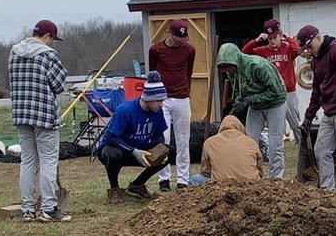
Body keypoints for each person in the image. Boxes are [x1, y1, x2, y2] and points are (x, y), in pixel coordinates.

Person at [8, 19, 70, 222]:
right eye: (52, 39)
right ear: (47, 36)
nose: (52, 43)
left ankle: (27, 209)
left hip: (21, 114)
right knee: (48, 161)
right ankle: (49, 209)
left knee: (27, 161)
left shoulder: (14, 53)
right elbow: (59, 84)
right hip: (44, 115)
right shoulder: (48, 55)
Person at [297, 25, 336, 192]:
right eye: (306, 49)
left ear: (318, 38)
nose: (309, 51)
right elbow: (317, 90)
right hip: (330, 111)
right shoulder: (315, 60)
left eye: (310, 46)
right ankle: (327, 189)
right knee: (321, 150)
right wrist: (309, 116)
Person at [215, 42, 288, 180]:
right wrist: (239, 101)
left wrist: (250, 100)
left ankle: (275, 178)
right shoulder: (232, 73)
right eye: (225, 68)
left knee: (275, 143)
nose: (228, 70)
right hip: (256, 106)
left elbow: (276, 92)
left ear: (237, 60)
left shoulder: (259, 66)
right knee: (248, 140)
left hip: (275, 102)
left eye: (229, 66)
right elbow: (239, 91)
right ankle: (250, 174)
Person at [96, 72, 169, 202]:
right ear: (149, 98)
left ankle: (137, 185)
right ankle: (114, 188)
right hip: (118, 149)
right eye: (159, 100)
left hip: (141, 149)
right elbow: (111, 138)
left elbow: (159, 135)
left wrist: (159, 150)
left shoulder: (157, 112)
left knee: (170, 151)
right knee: (113, 155)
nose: (161, 104)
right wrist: (134, 151)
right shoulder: (125, 110)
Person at [148, 19, 196, 192]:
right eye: (176, 38)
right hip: (163, 99)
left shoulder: (189, 50)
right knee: (163, 138)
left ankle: (183, 179)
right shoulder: (156, 50)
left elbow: (188, 72)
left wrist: (186, 92)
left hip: (182, 98)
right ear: (169, 33)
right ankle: (164, 178)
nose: (179, 42)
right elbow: (152, 73)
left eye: (182, 39)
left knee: (184, 140)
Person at [242, 18, 302, 144]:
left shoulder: (287, 48)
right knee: (275, 129)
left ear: (280, 36)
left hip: (289, 91)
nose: (272, 40)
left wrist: (287, 37)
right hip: (274, 93)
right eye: (270, 38)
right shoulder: (263, 51)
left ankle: (303, 147)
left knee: (295, 124)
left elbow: (297, 50)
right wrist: (257, 40)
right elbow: (244, 53)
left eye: (275, 37)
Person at [198, 115, 263, 182]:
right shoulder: (251, 142)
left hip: (220, 185)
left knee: (195, 179)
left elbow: (206, 171)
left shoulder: (210, 142)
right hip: (251, 183)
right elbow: (259, 170)